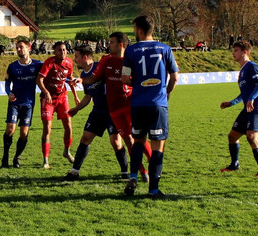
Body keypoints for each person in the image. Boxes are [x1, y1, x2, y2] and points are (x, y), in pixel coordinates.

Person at [122, 15, 179, 198]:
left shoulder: (131, 50)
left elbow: (124, 78)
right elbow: (175, 77)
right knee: (157, 146)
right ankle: (153, 189)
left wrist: (139, 84)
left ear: (139, 30)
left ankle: (133, 176)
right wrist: (166, 93)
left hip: (138, 104)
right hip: (157, 104)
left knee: (138, 141)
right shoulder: (165, 49)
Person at [83, 31, 150, 182]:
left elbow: (140, 81)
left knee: (138, 138)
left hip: (130, 106)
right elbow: (94, 77)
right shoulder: (106, 60)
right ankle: (142, 171)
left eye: (111, 42)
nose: (108, 45)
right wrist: (81, 81)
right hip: (114, 110)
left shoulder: (132, 60)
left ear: (120, 45)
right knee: (128, 141)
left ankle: (152, 163)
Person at [62, 45, 128, 181]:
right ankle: (74, 172)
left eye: (76, 56)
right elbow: (88, 96)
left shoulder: (100, 67)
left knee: (116, 142)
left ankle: (125, 172)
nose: (74, 59)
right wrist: (77, 108)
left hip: (111, 110)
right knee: (85, 138)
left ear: (85, 57)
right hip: (98, 111)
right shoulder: (83, 75)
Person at [219, 40, 258, 177]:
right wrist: (231, 103)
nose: (233, 53)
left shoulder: (251, 66)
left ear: (244, 52)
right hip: (248, 108)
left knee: (251, 136)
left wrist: (252, 98)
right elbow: (244, 93)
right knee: (232, 136)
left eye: (236, 50)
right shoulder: (242, 70)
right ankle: (234, 164)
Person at [2, 38, 42, 167]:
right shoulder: (12, 66)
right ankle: (5, 156)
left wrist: (69, 80)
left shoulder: (37, 65)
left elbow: (52, 73)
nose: (19, 49)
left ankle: (17, 157)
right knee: (10, 129)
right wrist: (9, 93)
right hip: (14, 103)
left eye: (21, 47)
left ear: (29, 47)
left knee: (24, 134)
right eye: (17, 47)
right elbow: (7, 83)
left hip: (28, 104)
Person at [36, 41, 75, 168]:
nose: (62, 52)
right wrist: (46, 92)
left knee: (68, 126)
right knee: (47, 129)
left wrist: (76, 96)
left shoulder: (69, 62)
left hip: (62, 98)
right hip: (48, 99)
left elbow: (70, 79)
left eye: (64, 49)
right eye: (59, 50)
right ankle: (45, 160)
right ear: (54, 51)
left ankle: (67, 151)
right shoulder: (50, 62)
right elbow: (39, 79)